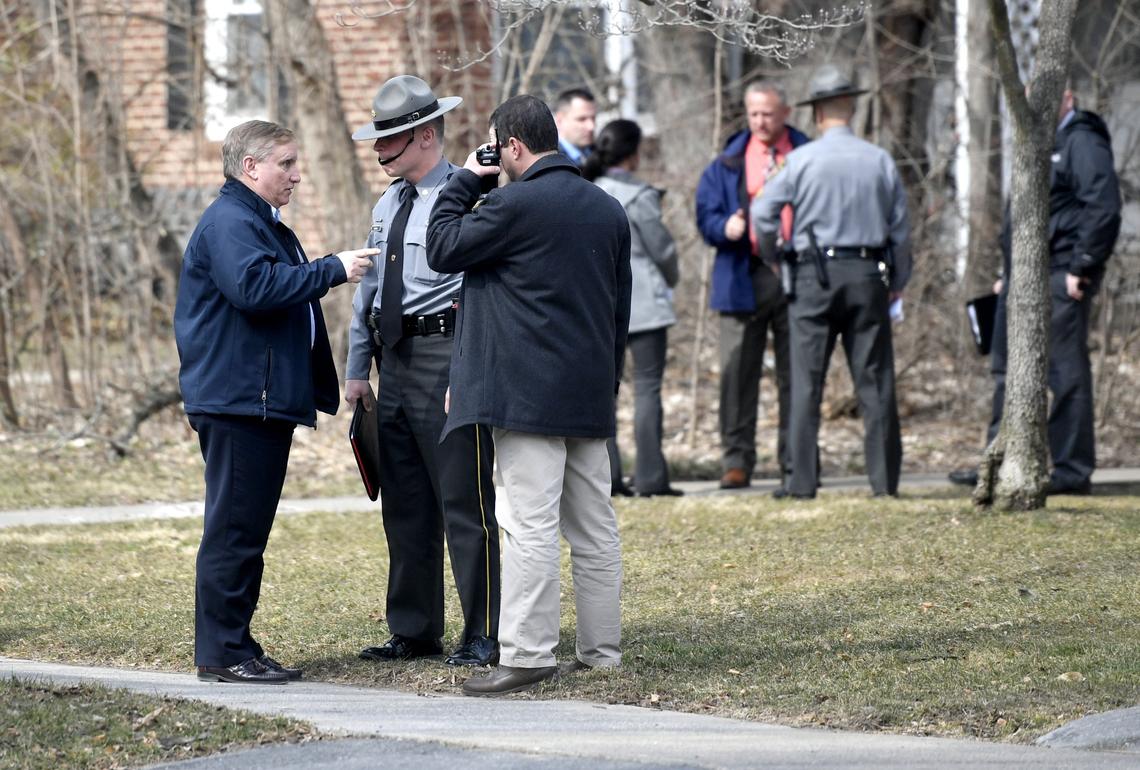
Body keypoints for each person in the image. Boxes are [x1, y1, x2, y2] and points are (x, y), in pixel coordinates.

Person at [426, 94, 632, 696]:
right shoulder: (607, 208)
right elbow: (620, 308)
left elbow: (441, 247)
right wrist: (609, 381)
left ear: (512, 147)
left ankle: (527, 652)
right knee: (595, 528)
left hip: (526, 397)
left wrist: (465, 177)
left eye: (499, 148)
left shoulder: (513, 204)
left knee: (528, 526)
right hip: (589, 393)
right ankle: (601, 652)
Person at [174, 120, 376, 684]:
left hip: (254, 401)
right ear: (250, 167)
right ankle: (222, 652)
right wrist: (333, 269)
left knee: (245, 529)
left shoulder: (257, 221)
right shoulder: (233, 222)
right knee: (235, 530)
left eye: (296, 162)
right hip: (240, 403)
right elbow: (255, 290)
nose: (296, 173)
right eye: (285, 163)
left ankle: (234, 643)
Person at [344, 75, 500, 668]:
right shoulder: (388, 201)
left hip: (448, 356)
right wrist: (359, 368)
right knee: (404, 501)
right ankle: (414, 629)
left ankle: (482, 632)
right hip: (396, 361)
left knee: (463, 499)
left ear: (427, 136)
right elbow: (371, 293)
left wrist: (470, 368)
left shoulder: (465, 199)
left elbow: (481, 295)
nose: (380, 150)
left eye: (392, 139)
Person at [948, 87, 1121, 495]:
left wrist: (1081, 268)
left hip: (1061, 277)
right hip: (1022, 279)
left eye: (1044, 97)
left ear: (1067, 96)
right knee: (1007, 374)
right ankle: (1000, 462)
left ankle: (1071, 472)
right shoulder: (1036, 142)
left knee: (1065, 375)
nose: (1031, 107)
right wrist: (1007, 273)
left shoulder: (1081, 140)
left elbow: (1104, 207)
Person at [751, 65, 911, 499]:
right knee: (875, 380)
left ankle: (801, 482)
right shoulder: (879, 160)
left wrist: (773, 256)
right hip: (866, 273)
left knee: (806, 381)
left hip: (811, 275)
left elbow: (762, 214)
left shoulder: (799, 161)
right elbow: (900, 229)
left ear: (817, 113)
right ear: (852, 107)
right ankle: (884, 483)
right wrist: (898, 278)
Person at [695, 81, 809, 493]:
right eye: (754, 113)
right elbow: (704, 212)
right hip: (743, 275)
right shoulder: (728, 160)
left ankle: (795, 461)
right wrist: (723, 226)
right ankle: (736, 461)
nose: (760, 121)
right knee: (736, 375)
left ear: (786, 112)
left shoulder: (805, 153)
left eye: (768, 114)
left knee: (796, 373)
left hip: (796, 274)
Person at [583, 119, 682, 498]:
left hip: (603, 305)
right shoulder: (640, 196)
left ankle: (608, 476)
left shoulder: (590, 190)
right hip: (645, 306)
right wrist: (671, 278)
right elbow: (663, 250)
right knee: (647, 390)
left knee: (604, 392)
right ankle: (652, 476)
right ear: (634, 152)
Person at [553, 87, 597, 167]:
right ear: (559, 120)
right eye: (582, 119)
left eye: (593, 118)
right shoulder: (552, 162)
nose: (591, 127)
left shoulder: (599, 154)